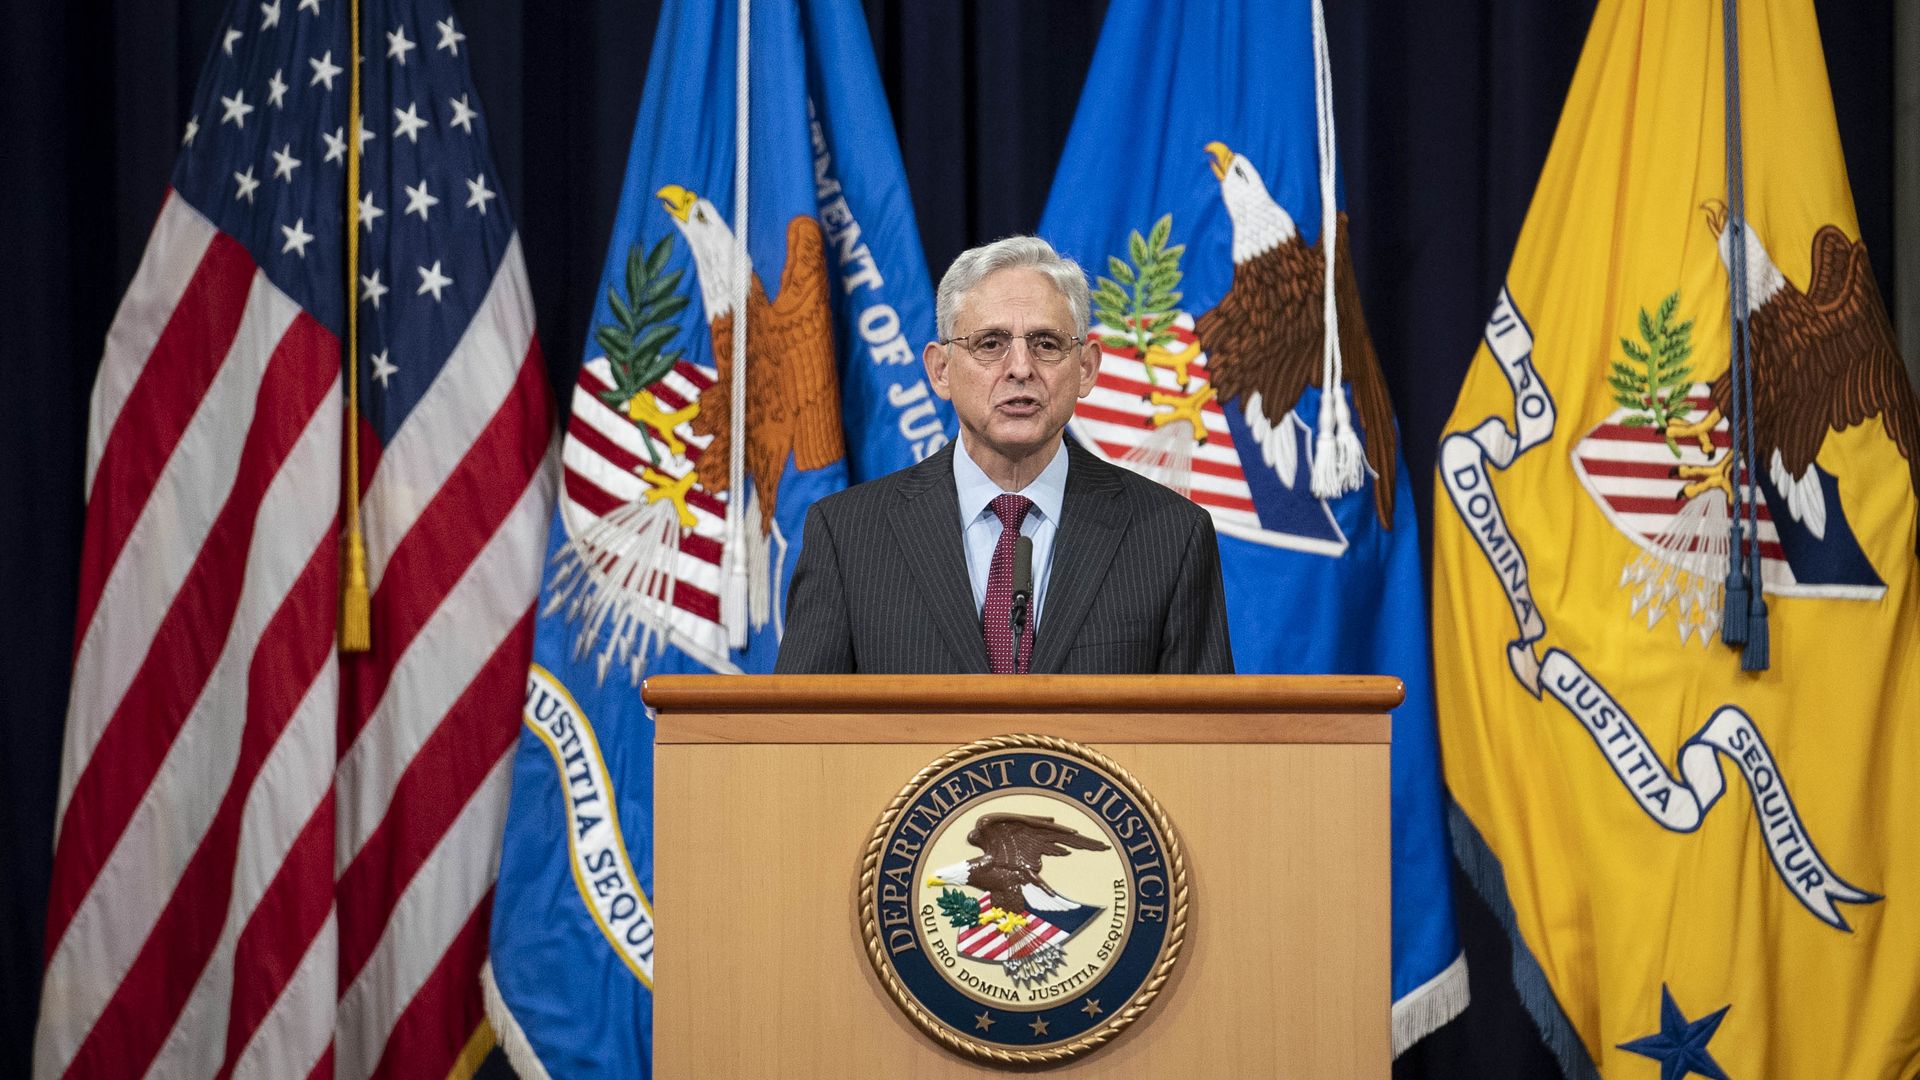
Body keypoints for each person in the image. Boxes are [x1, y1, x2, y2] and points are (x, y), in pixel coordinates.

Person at [774, 235, 1233, 674]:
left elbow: (1201, 743)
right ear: (940, 370)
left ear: (1087, 368)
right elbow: (800, 735)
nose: (1019, 369)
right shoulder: (849, 537)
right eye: (989, 343)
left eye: (1047, 344)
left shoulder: (1170, 537)